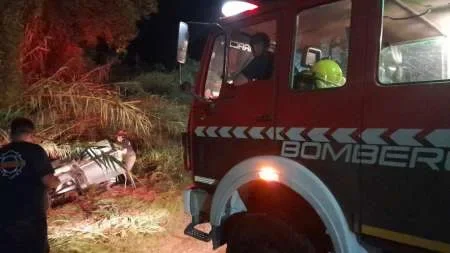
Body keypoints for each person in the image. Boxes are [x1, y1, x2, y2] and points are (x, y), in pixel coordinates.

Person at [0, 117, 60, 253]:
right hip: (30, 217)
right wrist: (57, 181)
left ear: (11, 133)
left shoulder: (1, 153)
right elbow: (48, 181)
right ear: (30, 134)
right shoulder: (35, 151)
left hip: (3, 218)